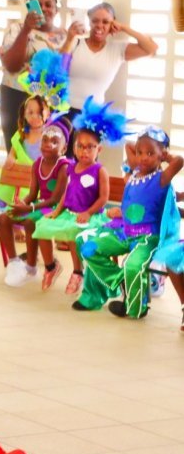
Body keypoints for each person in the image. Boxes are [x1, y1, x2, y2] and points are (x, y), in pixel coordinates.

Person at [74, 128, 183, 318]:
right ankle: (118, 280)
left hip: (147, 237)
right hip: (124, 231)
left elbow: (179, 161)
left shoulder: (161, 179)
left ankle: (137, 308)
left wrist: (164, 155)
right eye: (140, 153)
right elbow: (129, 145)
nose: (143, 158)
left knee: (132, 265)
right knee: (86, 244)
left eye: (150, 154)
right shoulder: (133, 174)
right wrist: (147, 147)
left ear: (162, 155)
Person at [32, 98, 122, 294]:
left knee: (74, 233)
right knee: (42, 226)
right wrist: (56, 211)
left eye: (90, 147)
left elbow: (103, 199)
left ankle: (77, 272)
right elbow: (67, 193)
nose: (84, 151)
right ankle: (50, 266)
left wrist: (89, 213)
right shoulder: (72, 168)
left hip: (89, 215)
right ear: (73, 148)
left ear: (99, 149)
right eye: (80, 146)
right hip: (69, 212)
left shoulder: (100, 171)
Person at [0, 117, 71, 287]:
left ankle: (31, 267)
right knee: (3, 217)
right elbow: (32, 193)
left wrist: (29, 207)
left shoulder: (64, 167)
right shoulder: (37, 164)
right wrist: (20, 204)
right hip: (38, 204)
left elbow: (55, 199)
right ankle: (14, 262)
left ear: (64, 147)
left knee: (31, 221)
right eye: (44, 140)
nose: (47, 144)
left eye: (54, 141)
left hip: (55, 208)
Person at [0, 0, 67, 149]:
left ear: (56, 9)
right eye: (38, 5)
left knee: (46, 154)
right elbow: (11, 65)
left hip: (49, 102)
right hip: (16, 98)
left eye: (48, 4)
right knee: (17, 151)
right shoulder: (16, 29)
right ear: (30, 7)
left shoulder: (64, 37)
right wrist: (27, 30)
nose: (44, 9)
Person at [62, 2, 158, 111]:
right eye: (95, 21)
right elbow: (56, 69)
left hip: (93, 118)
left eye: (106, 22)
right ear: (89, 22)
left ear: (113, 24)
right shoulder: (75, 42)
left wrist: (124, 28)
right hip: (64, 112)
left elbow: (151, 49)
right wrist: (69, 38)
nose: (99, 25)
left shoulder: (118, 49)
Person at [0, 95, 49, 205]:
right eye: (30, 113)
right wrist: (11, 159)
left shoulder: (49, 136)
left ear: (47, 113)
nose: (35, 116)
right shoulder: (21, 134)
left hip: (38, 185)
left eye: (39, 113)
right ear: (24, 114)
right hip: (19, 181)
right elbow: (12, 153)